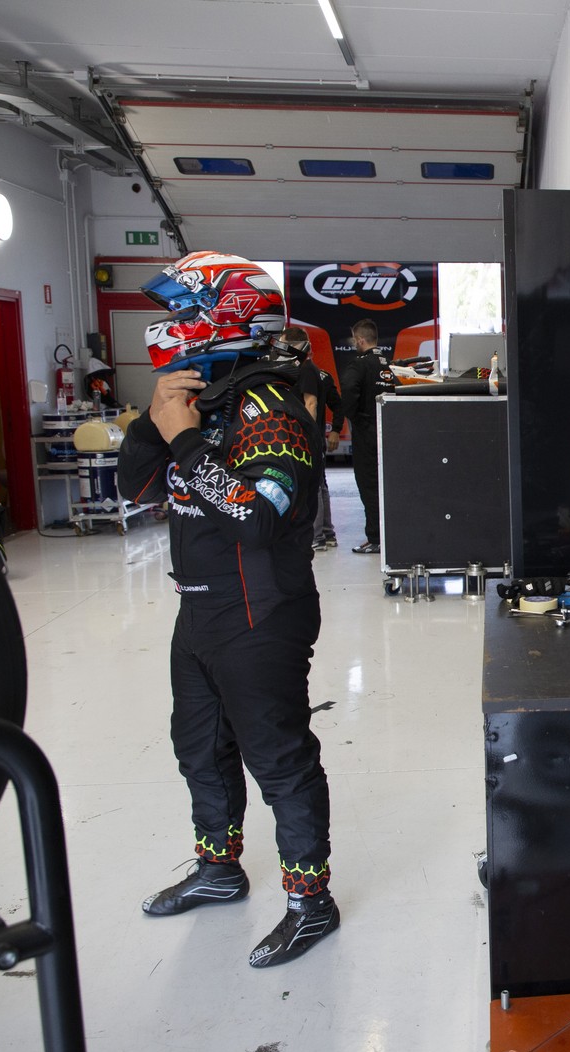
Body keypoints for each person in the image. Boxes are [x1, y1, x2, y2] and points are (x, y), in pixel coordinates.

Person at [117, 251, 338, 967]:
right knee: (200, 750)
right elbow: (136, 489)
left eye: (184, 311)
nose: (171, 324)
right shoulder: (202, 398)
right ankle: (219, 869)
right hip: (200, 610)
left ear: (227, 317)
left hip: (261, 614)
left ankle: (311, 902)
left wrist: (183, 438)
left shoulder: (271, 409)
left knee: (279, 758)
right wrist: (154, 423)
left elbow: (258, 518)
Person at [277, 326, 344, 551]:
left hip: (307, 437)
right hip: (314, 437)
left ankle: (315, 537)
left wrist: (305, 435)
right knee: (320, 484)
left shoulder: (305, 369)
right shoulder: (312, 369)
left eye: (284, 344)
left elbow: (311, 403)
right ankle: (326, 533)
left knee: (311, 486)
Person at [337, 318, 397, 554]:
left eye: (355, 340)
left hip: (367, 432)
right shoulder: (390, 365)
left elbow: (348, 390)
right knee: (390, 485)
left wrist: (355, 418)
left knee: (369, 485)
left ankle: (375, 538)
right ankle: (392, 535)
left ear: (360, 340)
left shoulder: (358, 365)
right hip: (392, 431)